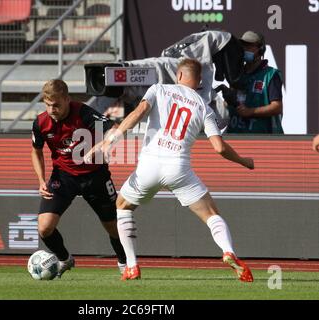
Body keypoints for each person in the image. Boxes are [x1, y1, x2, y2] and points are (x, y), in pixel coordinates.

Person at [87, 59, 255, 282]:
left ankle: (132, 266)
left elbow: (139, 112)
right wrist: (244, 161)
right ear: (198, 82)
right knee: (212, 215)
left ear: (178, 75)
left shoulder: (159, 89)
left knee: (123, 206)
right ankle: (228, 251)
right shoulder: (204, 106)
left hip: (149, 165)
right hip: (179, 167)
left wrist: (112, 140)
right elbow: (219, 147)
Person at [31, 79, 126, 277]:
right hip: (64, 177)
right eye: (47, 105)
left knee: (113, 227)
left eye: (56, 105)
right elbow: (36, 151)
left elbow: (114, 129)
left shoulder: (84, 113)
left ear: (67, 99)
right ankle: (65, 259)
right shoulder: (40, 122)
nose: (51, 109)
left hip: (95, 176)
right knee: (44, 228)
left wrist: (99, 146)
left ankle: (125, 264)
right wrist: (41, 180)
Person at [225, 31, 284, 134]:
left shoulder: (271, 75)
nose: (244, 49)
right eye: (243, 46)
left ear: (261, 50)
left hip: (263, 138)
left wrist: (250, 112)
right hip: (235, 135)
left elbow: (277, 107)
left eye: (249, 46)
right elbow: (230, 103)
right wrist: (227, 101)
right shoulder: (236, 74)